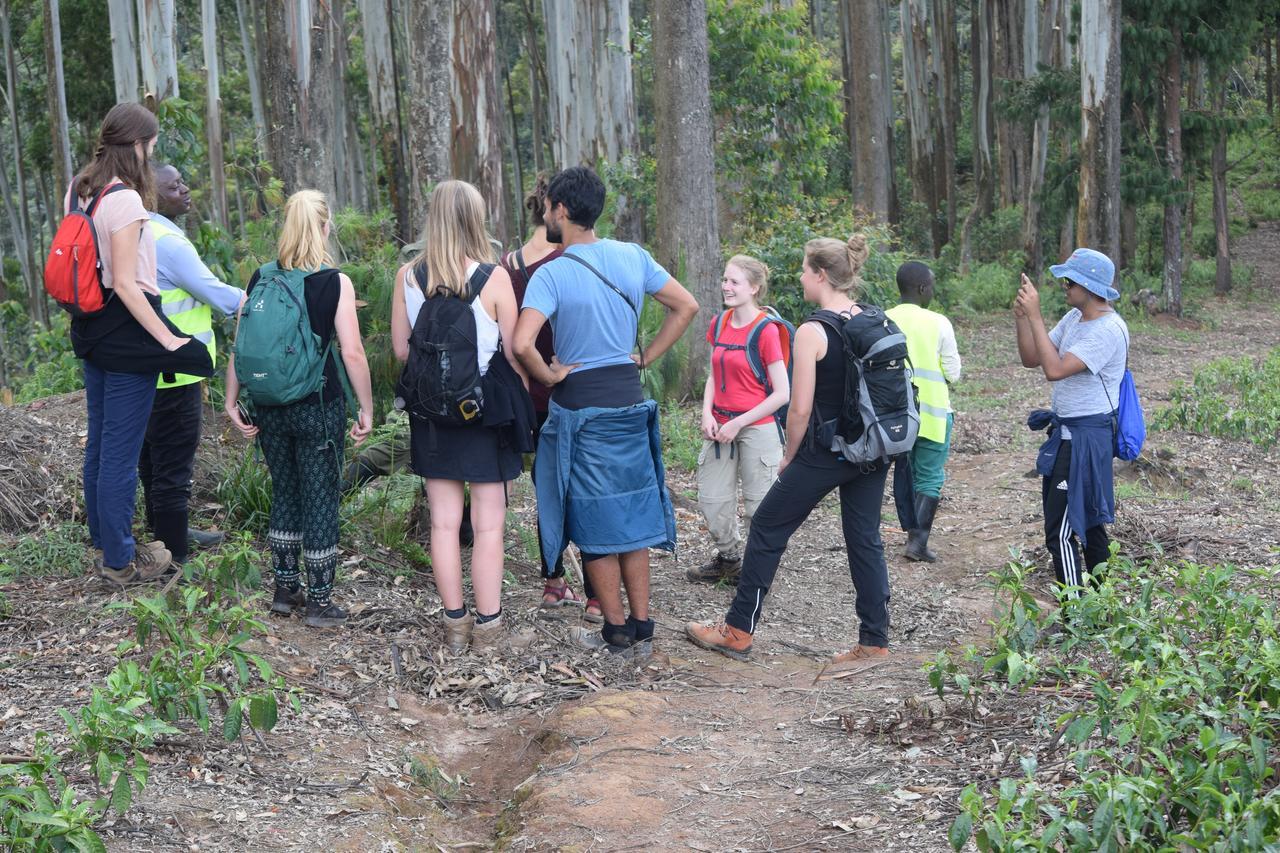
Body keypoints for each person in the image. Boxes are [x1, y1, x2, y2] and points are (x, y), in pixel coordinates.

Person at [686, 235, 894, 674]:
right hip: (873, 448)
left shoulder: (814, 331)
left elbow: (798, 408)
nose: (800, 277)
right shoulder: (873, 318)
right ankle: (874, 641)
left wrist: (789, 457)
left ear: (820, 275)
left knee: (766, 525)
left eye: (804, 270)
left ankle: (738, 631)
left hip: (829, 450)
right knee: (865, 538)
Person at [513, 166, 698, 654]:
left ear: (563, 211)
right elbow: (687, 306)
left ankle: (615, 632)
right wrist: (647, 357)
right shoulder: (632, 257)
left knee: (592, 519)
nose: (546, 213)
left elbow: (521, 343)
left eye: (549, 205)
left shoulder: (552, 272)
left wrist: (550, 375)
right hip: (629, 402)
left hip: (582, 409)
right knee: (633, 514)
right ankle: (642, 626)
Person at [66, 103, 213, 585]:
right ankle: (120, 561)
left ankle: (104, 541)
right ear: (137, 145)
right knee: (121, 453)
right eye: (150, 144)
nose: (152, 152)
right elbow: (127, 284)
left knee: (103, 442)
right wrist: (168, 338)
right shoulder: (125, 200)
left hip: (91, 331)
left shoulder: (80, 188)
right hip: (127, 338)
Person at [391, 180, 531, 652]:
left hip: (430, 415)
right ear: (475, 219)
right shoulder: (494, 279)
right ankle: (489, 629)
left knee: (443, 522)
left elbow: (399, 350)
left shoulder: (408, 276)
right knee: (489, 523)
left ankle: (455, 625)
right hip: (484, 415)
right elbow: (513, 354)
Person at [225, 190, 374, 627]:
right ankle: (321, 601)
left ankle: (285, 589)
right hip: (317, 405)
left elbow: (241, 345)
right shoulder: (333, 282)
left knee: (286, 491)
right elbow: (352, 353)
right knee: (320, 496)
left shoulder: (260, 278)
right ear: (326, 228)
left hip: (268, 406)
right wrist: (365, 408)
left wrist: (232, 401)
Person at [139, 163, 245, 565]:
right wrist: (264, 301)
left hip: (146, 367)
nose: (185, 189)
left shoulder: (136, 231)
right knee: (172, 466)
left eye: (183, 181)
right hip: (176, 369)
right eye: (175, 186)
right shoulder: (168, 241)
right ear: (152, 195)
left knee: (151, 458)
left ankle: (164, 535)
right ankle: (174, 558)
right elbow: (215, 293)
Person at [501, 174, 597, 616]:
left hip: (525, 389)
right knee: (583, 486)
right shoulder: (570, 259)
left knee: (547, 488)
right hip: (568, 384)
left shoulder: (508, 263)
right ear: (558, 209)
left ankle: (554, 580)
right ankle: (596, 588)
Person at [1015, 248, 1128, 594]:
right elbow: (1032, 358)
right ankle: (1100, 606)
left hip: (1086, 437)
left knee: (1062, 532)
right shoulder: (1074, 319)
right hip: (1067, 434)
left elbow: (1055, 370)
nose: (1063, 286)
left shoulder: (1109, 329)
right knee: (1088, 523)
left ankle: (1076, 615)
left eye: (1068, 281)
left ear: (1089, 286)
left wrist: (1036, 316)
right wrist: (1022, 317)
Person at [688, 255, 790, 584]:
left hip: (757, 429)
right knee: (712, 500)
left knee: (760, 507)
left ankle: (757, 573)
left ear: (754, 288)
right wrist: (707, 413)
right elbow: (713, 375)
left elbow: (781, 393)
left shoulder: (765, 331)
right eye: (725, 280)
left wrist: (739, 422)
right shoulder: (719, 323)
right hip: (719, 427)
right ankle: (730, 560)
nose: (726, 286)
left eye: (734, 282)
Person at [886, 261, 961, 563]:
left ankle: (910, 534)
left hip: (893, 417)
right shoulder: (938, 322)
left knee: (906, 474)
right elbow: (953, 373)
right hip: (932, 413)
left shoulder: (883, 319)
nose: (933, 290)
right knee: (929, 477)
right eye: (931, 285)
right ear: (921, 289)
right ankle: (918, 542)